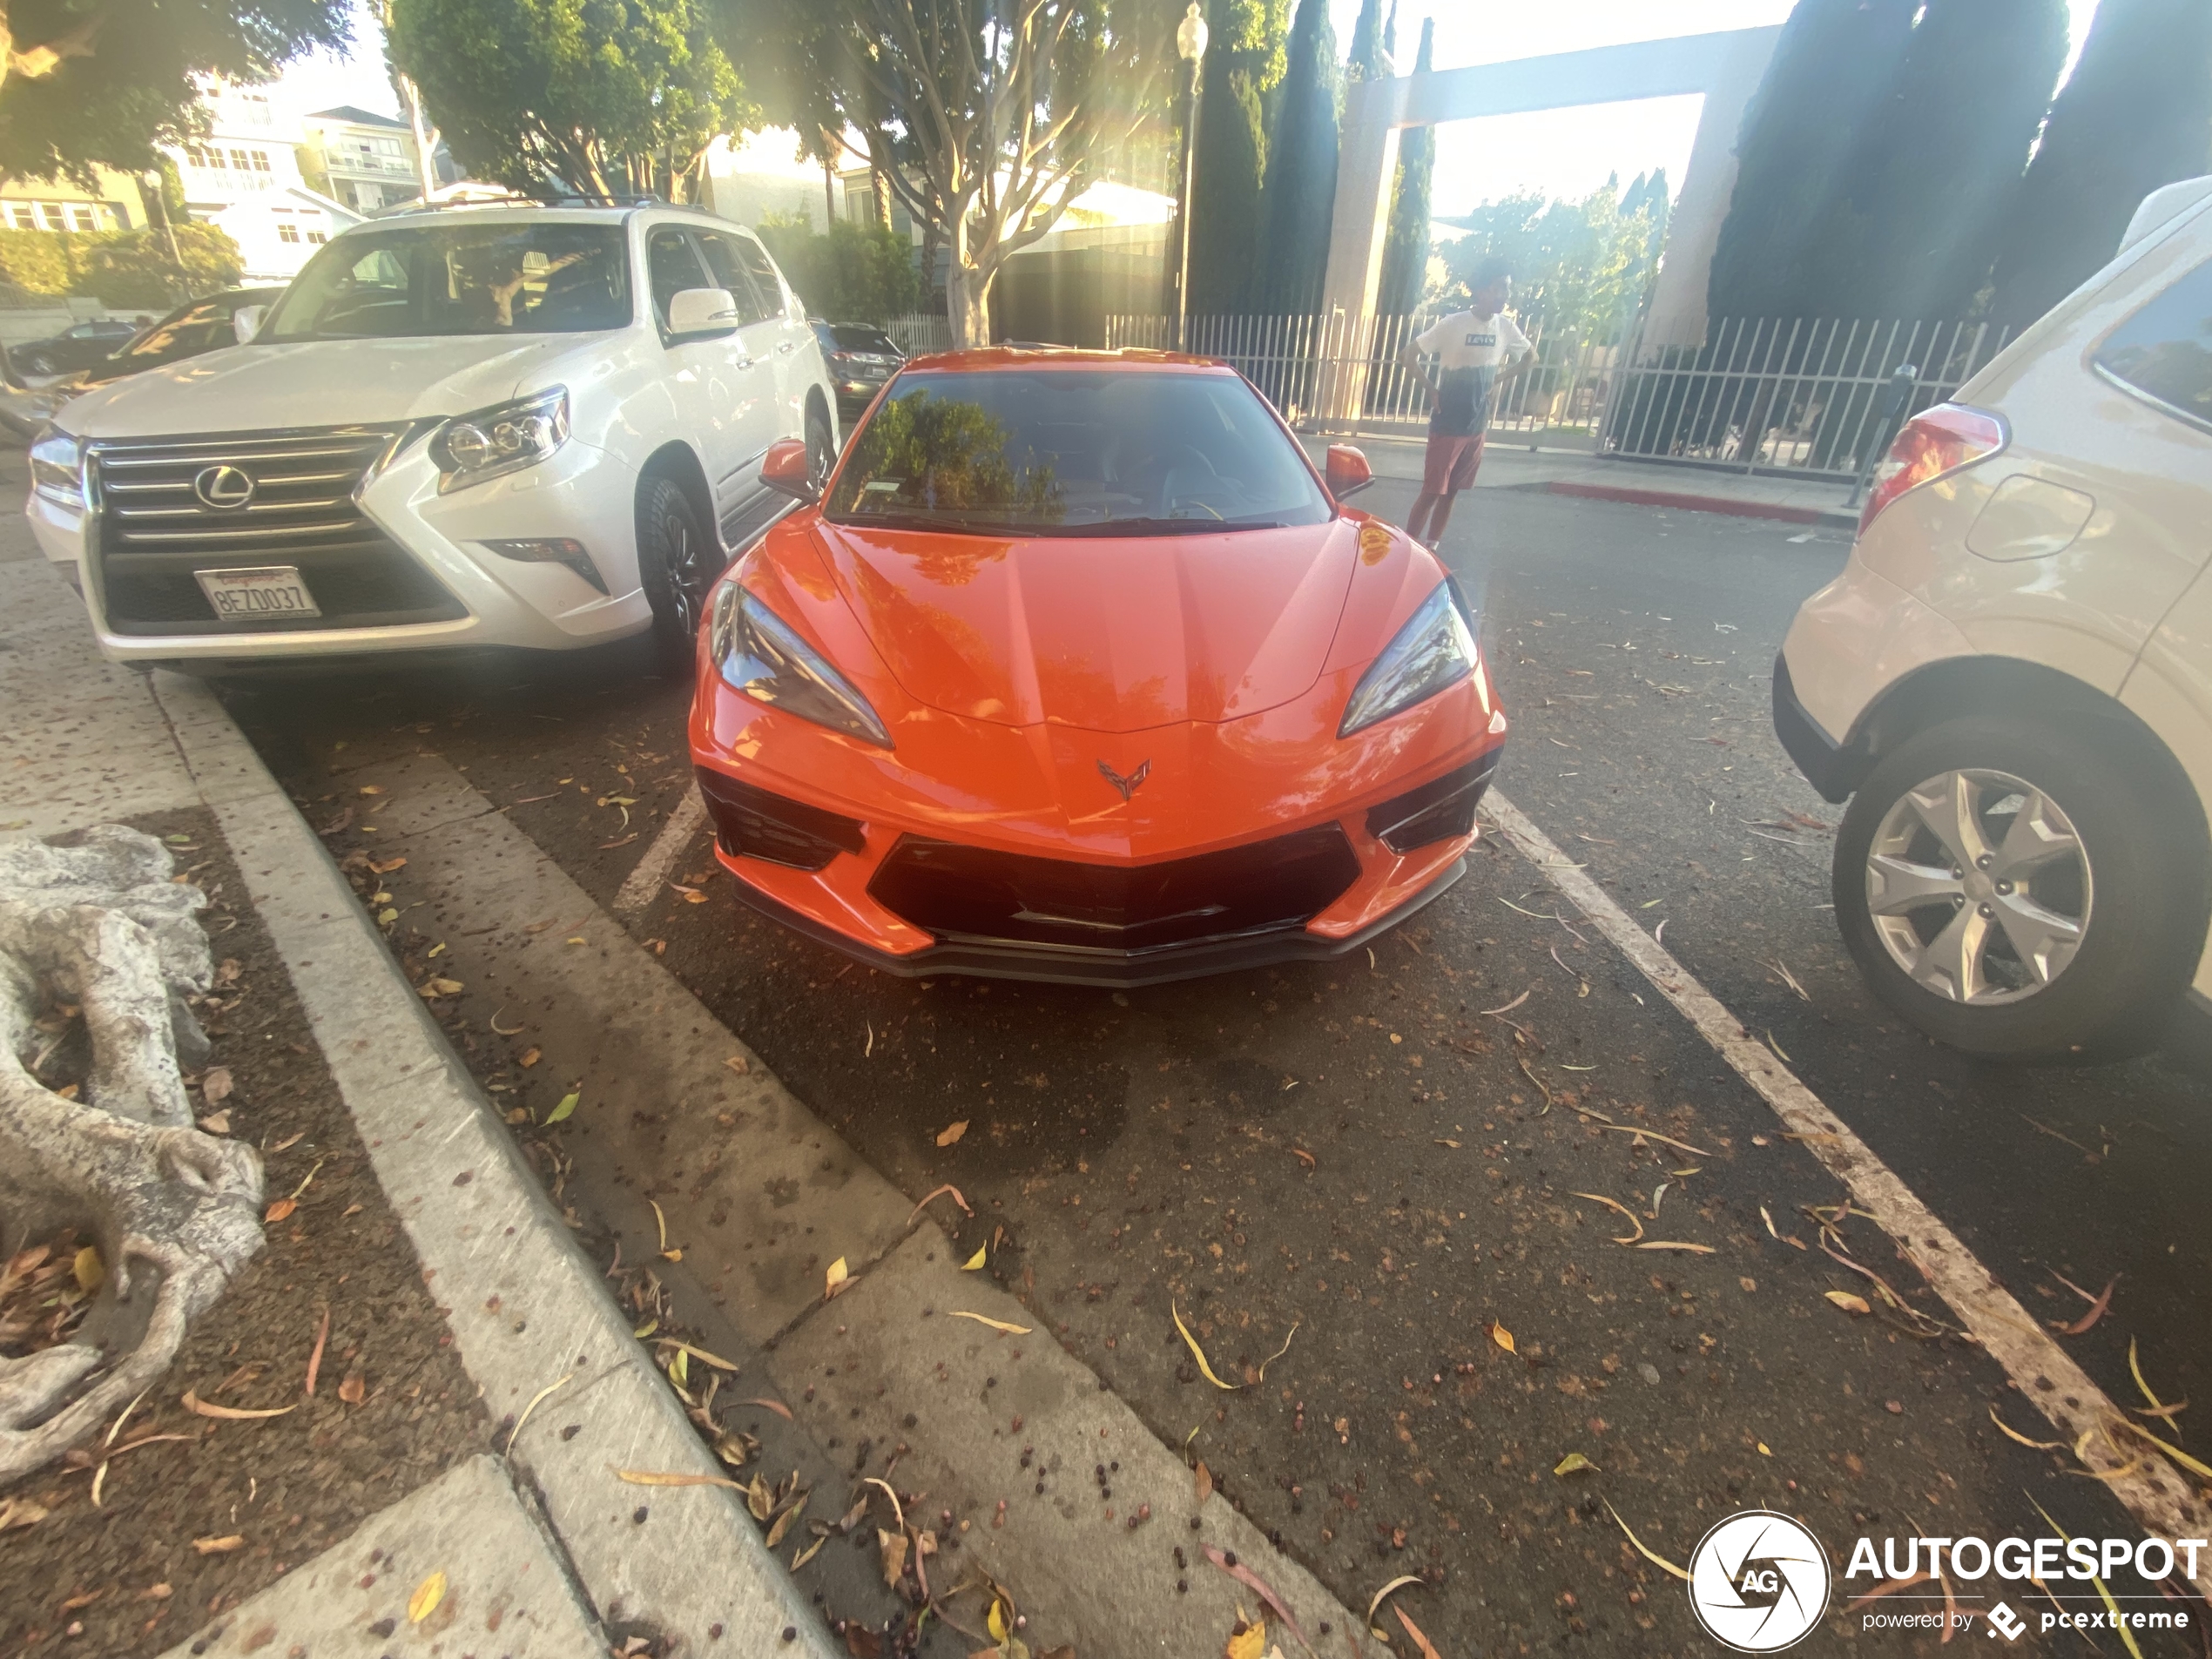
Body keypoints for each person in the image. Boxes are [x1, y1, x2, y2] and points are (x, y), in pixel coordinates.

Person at [1396, 259, 1532, 547]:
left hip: (1477, 424)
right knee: (1432, 491)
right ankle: (1408, 547)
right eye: (1498, 289)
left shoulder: (1505, 327)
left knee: (1453, 491)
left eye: (1506, 289)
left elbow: (1531, 358)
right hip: (1447, 422)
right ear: (1481, 290)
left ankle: (1432, 547)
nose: (1504, 296)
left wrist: (1497, 379)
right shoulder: (1453, 324)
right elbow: (1408, 355)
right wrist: (1431, 389)